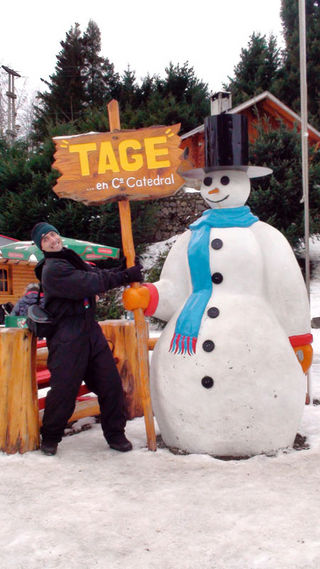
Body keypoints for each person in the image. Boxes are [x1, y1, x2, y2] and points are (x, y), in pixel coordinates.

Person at [31, 222, 143, 456]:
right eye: (45, 239)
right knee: (64, 391)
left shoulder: (69, 259)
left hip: (90, 332)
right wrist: (125, 276)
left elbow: (95, 274)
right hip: (67, 336)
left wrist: (121, 269)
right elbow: (89, 283)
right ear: (41, 247)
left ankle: (116, 434)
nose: (52, 239)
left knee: (110, 384)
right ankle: (50, 437)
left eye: (53, 234)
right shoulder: (53, 269)